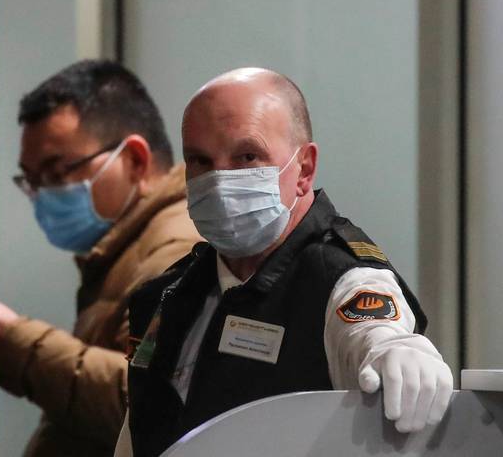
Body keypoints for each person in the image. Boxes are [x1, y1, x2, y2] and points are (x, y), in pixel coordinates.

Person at [116, 67, 453, 457]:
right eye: (201, 160)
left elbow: (373, 333)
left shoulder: (337, 279)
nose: (220, 181)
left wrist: (399, 352)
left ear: (304, 168)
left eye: (247, 156)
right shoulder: (172, 293)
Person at [0, 60, 201, 457]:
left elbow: (141, 403)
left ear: (135, 160)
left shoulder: (175, 249)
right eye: (32, 181)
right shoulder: (123, 250)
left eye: (56, 173)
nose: (42, 196)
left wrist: (13, 340)